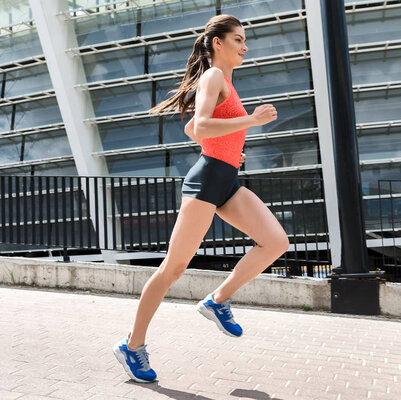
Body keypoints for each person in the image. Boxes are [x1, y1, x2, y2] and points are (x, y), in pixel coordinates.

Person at [112, 14, 290, 383]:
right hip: (206, 182)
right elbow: (204, 123)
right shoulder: (213, 77)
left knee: (275, 241)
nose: (245, 46)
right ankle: (132, 347)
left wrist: (227, 149)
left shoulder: (226, 81)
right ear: (217, 43)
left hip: (226, 179)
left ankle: (217, 300)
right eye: (238, 39)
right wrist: (250, 123)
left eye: (245, 40)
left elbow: (194, 128)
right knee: (172, 269)